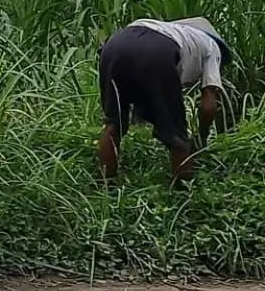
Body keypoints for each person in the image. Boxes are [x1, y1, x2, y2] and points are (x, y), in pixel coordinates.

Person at [97, 16, 233, 184]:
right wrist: (200, 140)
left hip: (114, 45)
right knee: (177, 135)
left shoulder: (171, 30)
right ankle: (182, 196)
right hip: (157, 53)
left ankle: (105, 188)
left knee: (113, 124)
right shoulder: (212, 46)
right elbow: (208, 106)